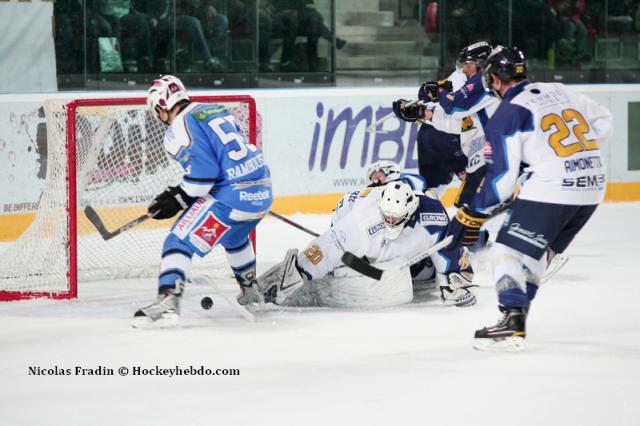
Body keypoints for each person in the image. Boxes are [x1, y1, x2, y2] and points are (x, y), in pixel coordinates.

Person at [445, 47, 612, 351]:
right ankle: (518, 313)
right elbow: (604, 121)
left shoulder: (507, 113)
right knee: (536, 253)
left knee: (504, 250)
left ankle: (511, 321)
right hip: (593, 185)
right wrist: (564, 156)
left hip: (553, 188)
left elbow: (501, 182)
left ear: (494, 79)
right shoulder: (559, 90)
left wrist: (472, 212)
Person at [133, 75, 273, 327]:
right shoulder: (212, 109)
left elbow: (203, 178)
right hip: (262, 191)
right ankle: (250, 290)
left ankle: (168, 300)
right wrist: (178, 195)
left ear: (161, 105)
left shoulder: (178, 126)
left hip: (231, 199)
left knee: (178, 240)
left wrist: (175, 198)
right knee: (235, 237)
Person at [257, 181, 477, 309]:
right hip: (347, 219)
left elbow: (446, 245)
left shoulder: (432, 214)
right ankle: (343, 265)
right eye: (387, 217)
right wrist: (298, 271)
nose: (390, 221)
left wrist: (452, 278)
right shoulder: (361, 219)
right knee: (346, 260)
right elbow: (328, 245)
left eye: (396, 219)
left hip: (393, 244)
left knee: (424, 274)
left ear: (409, 212)